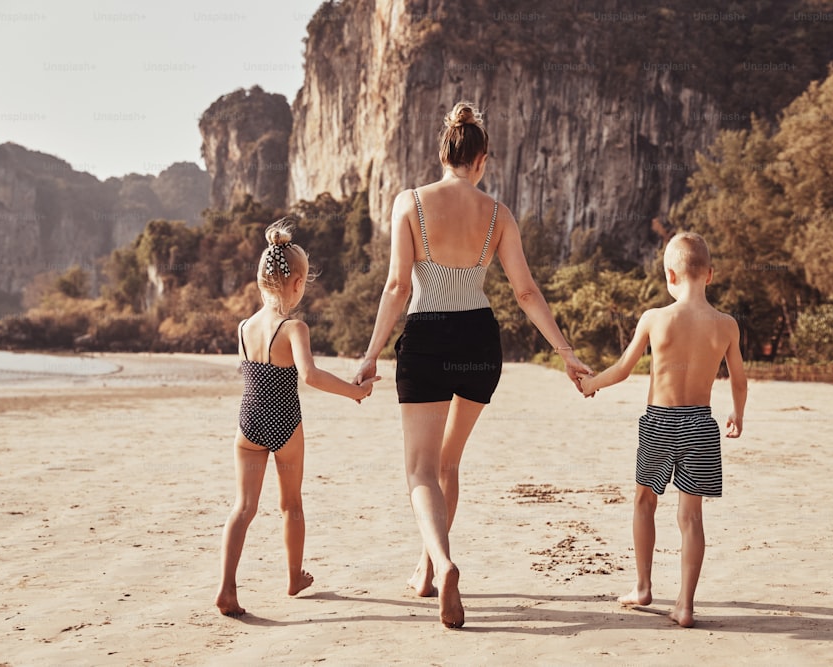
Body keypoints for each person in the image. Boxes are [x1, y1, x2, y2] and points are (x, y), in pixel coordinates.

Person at [353, 102, 592, 628]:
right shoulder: (498, 214)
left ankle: (439, 563)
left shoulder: (408, 204)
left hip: (427, 337)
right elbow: (525, 292)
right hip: (480, 342)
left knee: (419, 468)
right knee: (448, 463)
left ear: (444, 154)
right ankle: (425, 572)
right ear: (481, 160)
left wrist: (371, 355)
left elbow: (396, 287)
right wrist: (567, 355)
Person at [579, 231, 747, 628]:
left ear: (670, 275)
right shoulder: (726, 325)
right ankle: (685, 606)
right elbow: (739, 379)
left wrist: (590, 384)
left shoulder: (655, 318)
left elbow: (622, 369)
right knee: (691, 517)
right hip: (700, 425)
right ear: (710, 275)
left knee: (644, 503)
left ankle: (642, 586)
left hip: (660, 422)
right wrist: (737, 414)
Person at [216, 219, 380, 618]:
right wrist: (355, 392)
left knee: (243, 507)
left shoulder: (243, 327)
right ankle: (293, 577)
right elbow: (309, 376)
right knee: (291, 504)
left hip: (248, 422)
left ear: (260, 280)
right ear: (297, 283)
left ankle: (226, 588)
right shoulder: (294, 327)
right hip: (285, 423)